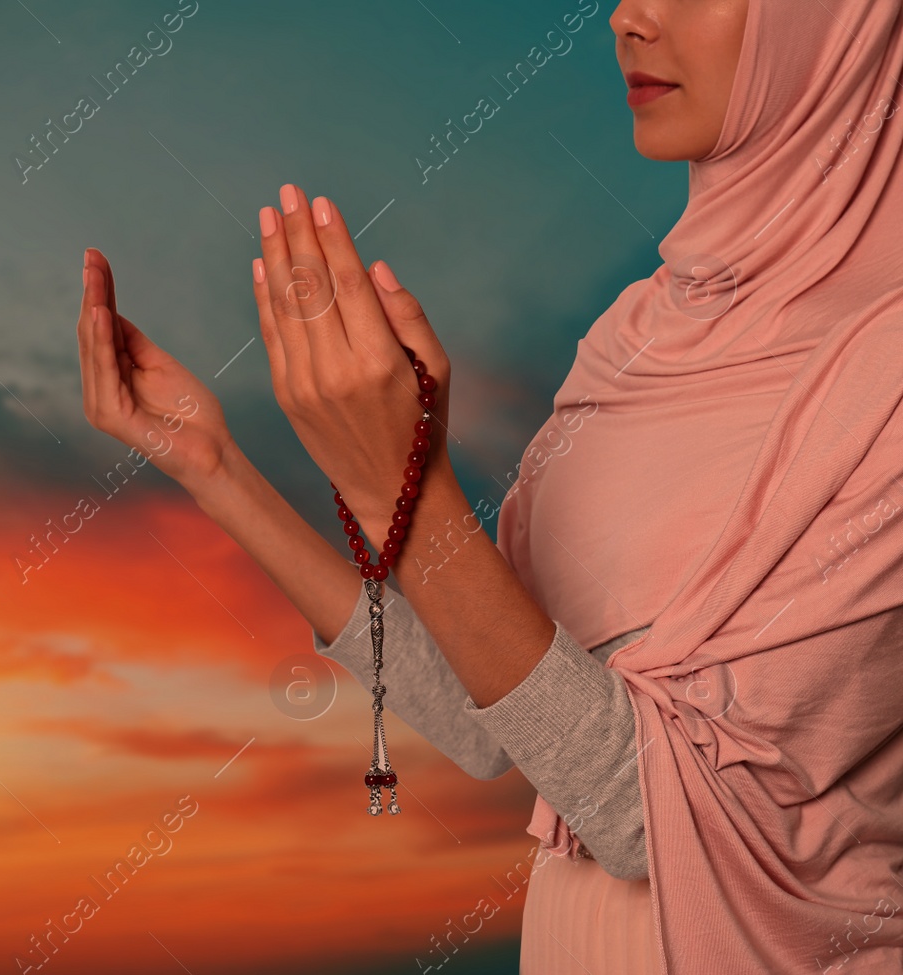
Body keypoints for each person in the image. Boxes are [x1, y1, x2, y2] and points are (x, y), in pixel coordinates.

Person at [76, 0, 903, 971]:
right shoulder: (632, 334)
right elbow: (495, 718)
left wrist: (405, 487)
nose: (630, 17)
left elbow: (656, 819)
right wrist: (214, 468)